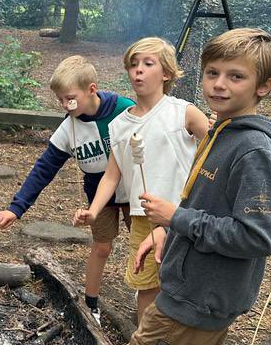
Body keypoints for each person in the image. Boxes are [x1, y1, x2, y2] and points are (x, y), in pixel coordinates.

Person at [91, 27, 271, 345]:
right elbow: (210, 206)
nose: (219, 84)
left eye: (236, 76)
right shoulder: (222, 131)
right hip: (205, 301)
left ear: (264, 86)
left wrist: (176, 218)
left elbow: (258, 235)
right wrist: (168, 232)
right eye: (212, 72)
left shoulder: (252, 150)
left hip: (193, 300)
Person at [73, 37, 209, 322]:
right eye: (133, 65)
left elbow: (215, 150)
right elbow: (112, 175)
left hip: (182, 214)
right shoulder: (120, 124)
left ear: (167, 73)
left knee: (183, 279)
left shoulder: (182, 112)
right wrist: (94, 211)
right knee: (147, 283)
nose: (138, 70)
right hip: (143, 217)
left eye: (148, 64)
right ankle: (145, 340)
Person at [0, 56, 134, 324]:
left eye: (69, 98)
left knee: (145, 248)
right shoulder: (69, 127)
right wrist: (17, 208)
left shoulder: (124, 110)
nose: (64, 105)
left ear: (91, 89)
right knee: (102, 247)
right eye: (59, 99)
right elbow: (44, 168)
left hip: (136, 194)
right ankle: (91, 302)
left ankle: (152, 303)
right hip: (99, 198)